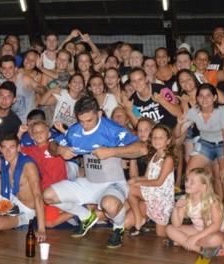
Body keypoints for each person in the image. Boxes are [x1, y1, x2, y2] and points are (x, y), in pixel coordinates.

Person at [43, 96, 147, 249]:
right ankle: (86, 217)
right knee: (48, 196)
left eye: (89, 121)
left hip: (113, 184)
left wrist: (111, 151)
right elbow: (52, 145)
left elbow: (142, 148)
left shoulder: (111, 129)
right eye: (81, 121)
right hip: (89, 183)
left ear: (99, 114)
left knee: (109, 205)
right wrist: (60, 149)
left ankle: (118, 228)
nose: (85, 125)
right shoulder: (75, 131)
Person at [0, 132, 47, 237]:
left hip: (25, 210)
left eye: (12, 147)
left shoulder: (28, 165)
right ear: (0, 149)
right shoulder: (2, 160)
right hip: (11, 200)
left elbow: (38, 196)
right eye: (4, 147)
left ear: (18, 148)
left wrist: (41, 229)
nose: (8, 152)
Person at [183, 83, 224, 210]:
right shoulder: (193, 112)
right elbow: (177, 133)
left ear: (214, 98)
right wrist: (179, 124)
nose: (204, 99)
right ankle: (199, 207)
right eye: (201, 96)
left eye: (208, 95)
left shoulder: (222, 112)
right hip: (205, 143)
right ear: (197, 99)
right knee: (190, 174)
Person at [21, 120, 74, 228]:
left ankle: (79, 210)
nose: (39, 134)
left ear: (48, 133)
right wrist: (20, 132)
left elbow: (73, 142)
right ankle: (65, 210)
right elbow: (14, 148)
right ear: (31, 136)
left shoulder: (55, 145)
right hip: (43, 192)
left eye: (42, 131)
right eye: (35, 132)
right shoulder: (31, 150)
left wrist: (62, 130)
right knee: (38, 215)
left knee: (47, 223)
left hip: (59, 190)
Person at [125, 124, 175, 237]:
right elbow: (147, 177)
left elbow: (159, 182)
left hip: (161, 198)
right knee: (129, 186)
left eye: (160, 137)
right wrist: (135, 179)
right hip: (152, 193)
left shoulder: (168, 159)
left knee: (161, 235)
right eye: (154, 137)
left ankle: (177, 233)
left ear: (168, 141)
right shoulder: (154, 156)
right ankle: (139, 220)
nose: (156, 140)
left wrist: (138, 183)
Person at [166, 168, 224, 258]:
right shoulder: (185, 199)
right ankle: (200, 249)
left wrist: (195, 237)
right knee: (169, 229)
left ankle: (181, 242)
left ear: (204, 186)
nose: (186, 184)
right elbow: (176, 225)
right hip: (196, 229)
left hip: (212, 232)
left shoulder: (213, 201)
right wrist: (175, 208)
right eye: (186, 180)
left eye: (192, 182)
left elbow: (216, 226)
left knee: (217, 239)